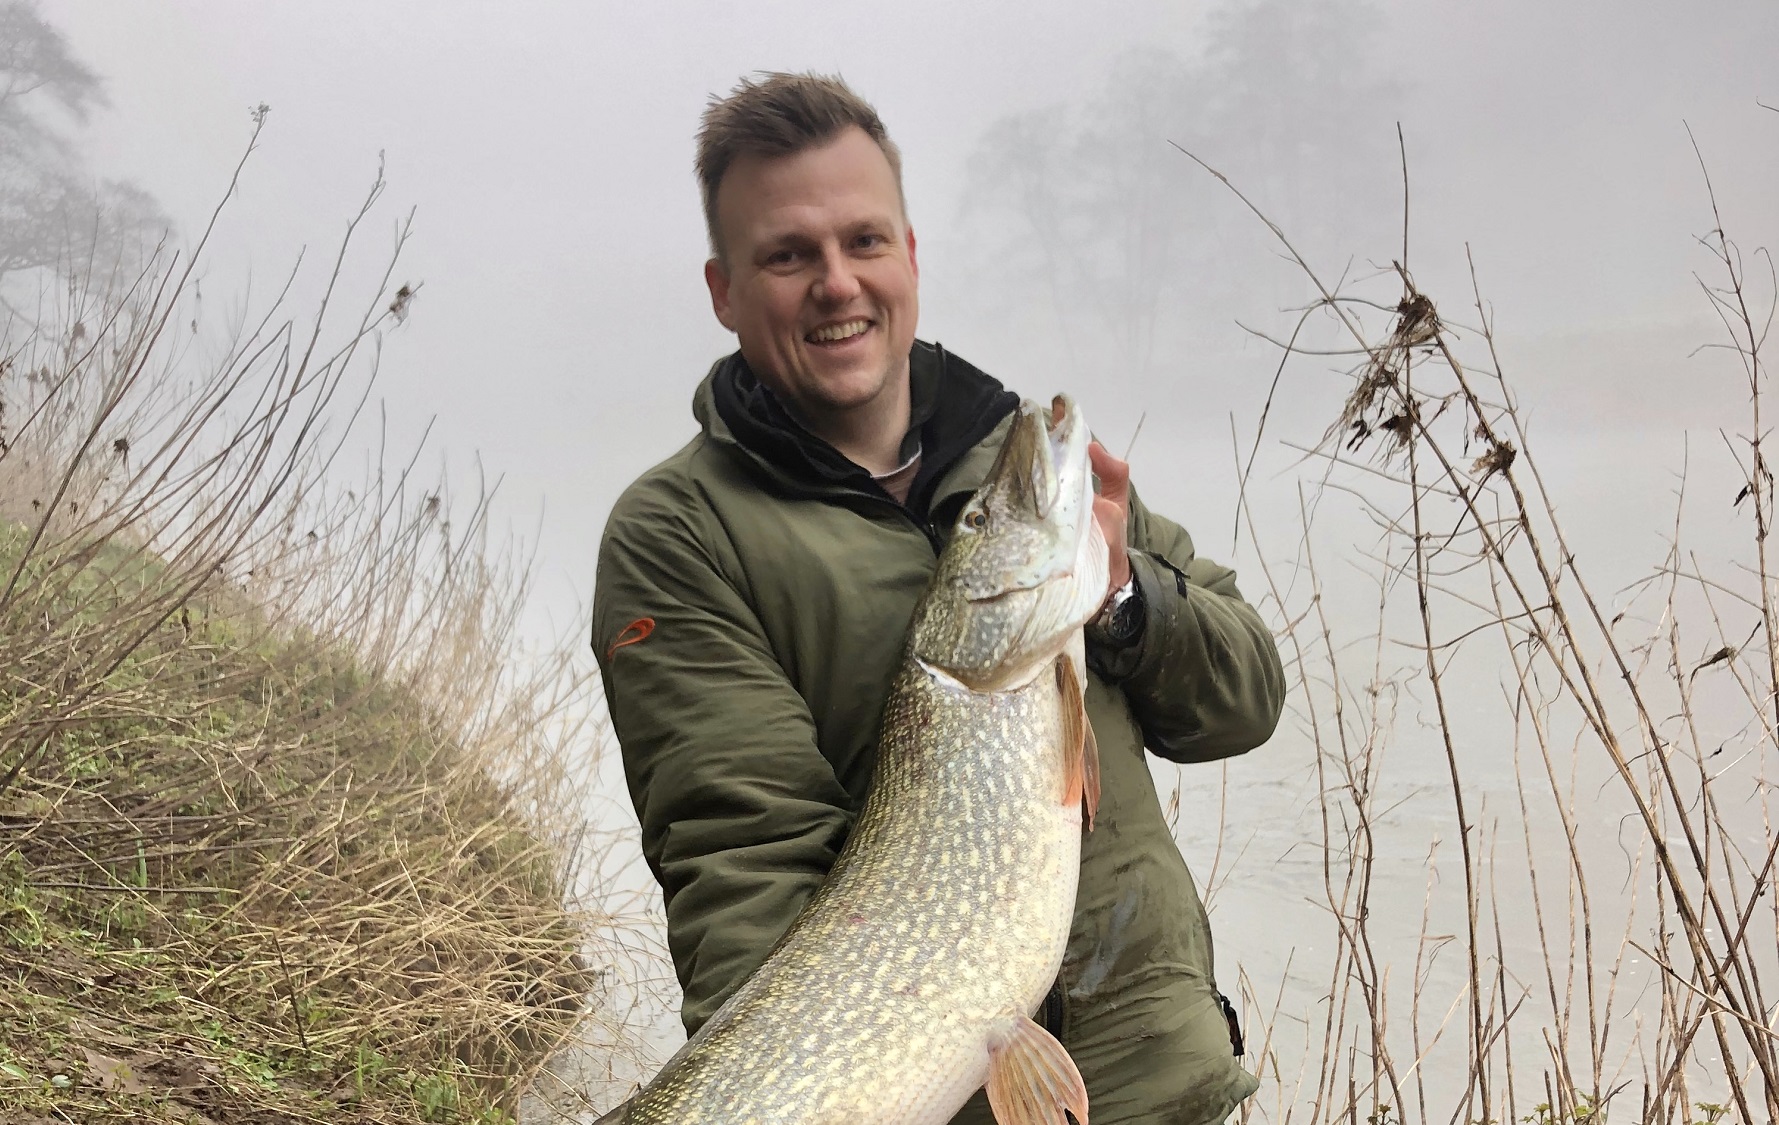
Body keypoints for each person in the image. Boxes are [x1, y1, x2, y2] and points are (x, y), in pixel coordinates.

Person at [591, 71, 1286, 1125]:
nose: (837, 283)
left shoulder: (1037, 485)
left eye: (864, 241)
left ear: (910, 256)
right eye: (788, 254)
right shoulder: (681, 532)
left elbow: (1246, 700)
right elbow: (741, 860)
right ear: (724, 289)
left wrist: (1124, 597)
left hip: (1158, 1087)